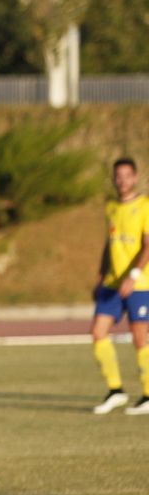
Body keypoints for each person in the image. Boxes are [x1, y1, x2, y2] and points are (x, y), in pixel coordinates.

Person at [87, 157, 149, 415]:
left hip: (140, 283)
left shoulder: (145, 206)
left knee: (139, 338)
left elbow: (148, 245)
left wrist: (133, 275)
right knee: (98, 332)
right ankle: (116, 390)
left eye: (127, 176)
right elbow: (109, 244)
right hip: (112, 283)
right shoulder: (111, 207)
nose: (122, 181)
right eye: (118, 176)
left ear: (135, 177)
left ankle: (147, 395)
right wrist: (102, 275)